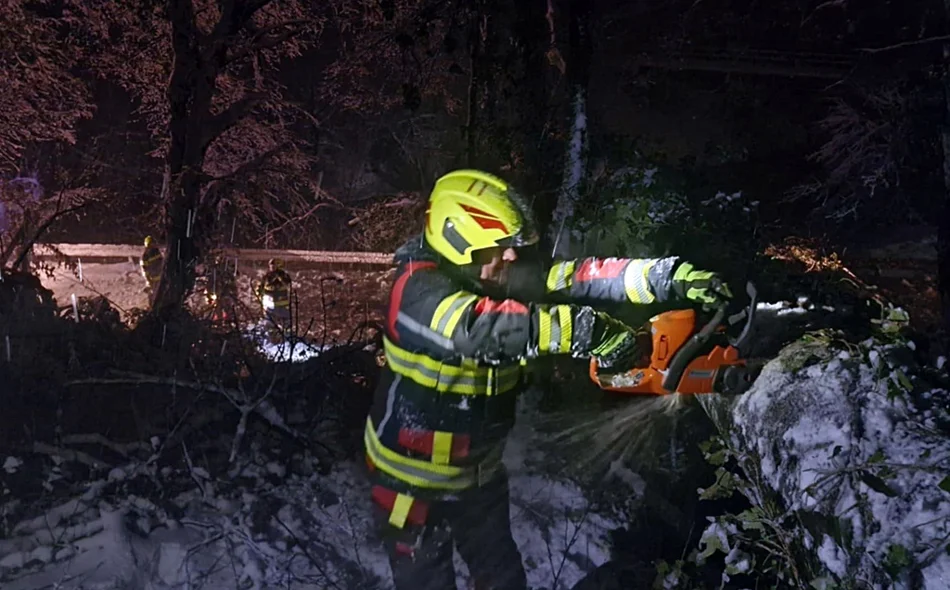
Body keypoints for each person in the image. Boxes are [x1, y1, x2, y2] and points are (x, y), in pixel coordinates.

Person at [364, 169, 733, 590]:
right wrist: (589, 332)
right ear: (458, 241)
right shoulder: (416, 291)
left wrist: (666, 278)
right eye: (498, 247)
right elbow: (483, 329)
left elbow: (581, 277)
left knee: (504, 580)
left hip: (479, 479)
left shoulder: (495, 276)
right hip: (410, 488)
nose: (511, 256)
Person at [255, 258, 292, 331]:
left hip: (282, 306)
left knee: (286, 325)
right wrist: (259, 297)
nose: (272, 267)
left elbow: (287, 284)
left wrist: (279, 276)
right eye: (271, 265)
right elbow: (259, 288)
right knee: (268, 324)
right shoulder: (266, 276)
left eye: (274, 265)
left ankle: (287, 336)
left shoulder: (284, 275)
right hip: (269, 306)